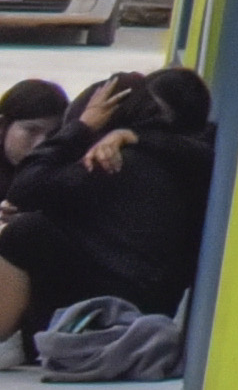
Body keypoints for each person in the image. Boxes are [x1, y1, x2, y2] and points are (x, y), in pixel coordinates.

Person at [0, 65, 215, 357]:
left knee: (25, 232)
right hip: (154, 302)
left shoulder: (110, 161)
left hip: (112, 310)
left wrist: (82, 126)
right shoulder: (184, 157)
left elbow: (25, 188)